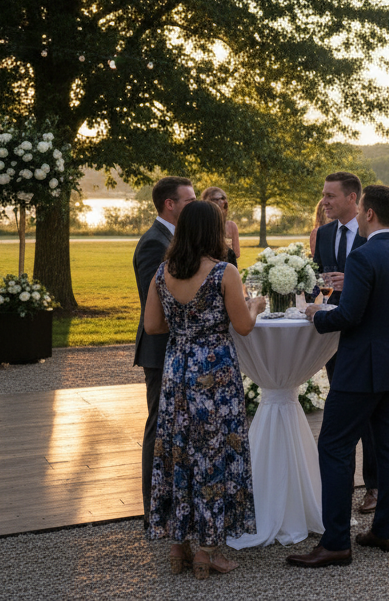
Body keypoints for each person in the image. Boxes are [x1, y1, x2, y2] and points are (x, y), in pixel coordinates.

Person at [289, 185, 389, 569]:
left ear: (367, 213)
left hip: (360, 368)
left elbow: (348, 316)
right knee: (388, 447)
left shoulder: (363, 257)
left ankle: (334, 543)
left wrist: (317, 314)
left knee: (333, 445)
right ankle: (383, 531)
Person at [142, 199, 266, 578]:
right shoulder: (224, 272)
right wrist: (255, 306)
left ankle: (178, 546)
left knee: (178, 453)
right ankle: (208, 551)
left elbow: (152, 326)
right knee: (213, 454)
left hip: (178, 371)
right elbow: (243, 326)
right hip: (215, 373)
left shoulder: (163, 273)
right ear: (214, 230)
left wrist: (184, 329)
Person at [310, 172, 378, 514]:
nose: (325, 201)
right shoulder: (321, 234)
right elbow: (315, 280)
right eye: (324, 195)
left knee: (366, 417)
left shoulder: (372, 236)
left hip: (362, 335)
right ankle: (340, 485)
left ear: (353, 198)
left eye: (331, 196)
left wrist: (349, 280)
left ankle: (374, 485)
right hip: (330, 333)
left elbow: (379, 282)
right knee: (339, 409)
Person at [132, 175, 194, 523]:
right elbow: (153, 305)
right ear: (170, 204)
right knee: (158, 428)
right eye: (189, 201)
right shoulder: (154, 244)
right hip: (161, 349)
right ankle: (152, 508)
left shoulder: (175, 239)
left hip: (179, 347)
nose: (195, 205)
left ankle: (174, 502)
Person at [201, 187, 240, 266]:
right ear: (209, 201)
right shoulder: (200, 225)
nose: (224, 201)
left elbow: (237, 253)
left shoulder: (231, 226)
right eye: (220, 198)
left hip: (228, 266)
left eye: (224, 198)